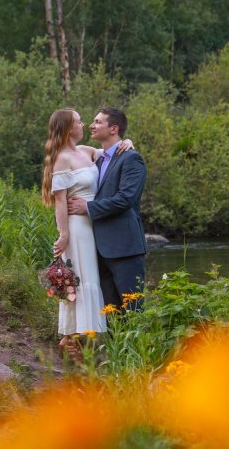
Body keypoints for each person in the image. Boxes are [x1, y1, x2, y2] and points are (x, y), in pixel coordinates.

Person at [41, 108, 133, 354]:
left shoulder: (85, 152)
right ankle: (72, 340)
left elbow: (113, 152)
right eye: (80, 121)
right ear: (69, 128)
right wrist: (64, 234)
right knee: (82, 279)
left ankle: (77, 339)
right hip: (77, 227)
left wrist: (127, 141)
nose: (85, 125)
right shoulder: (62, 158)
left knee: (91, 278)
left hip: (93, 221)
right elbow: (60, 201)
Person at [67, 107, 146, 311]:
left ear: (114, 128)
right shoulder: (97, 158)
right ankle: (115, 345)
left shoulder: (131, 158)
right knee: (111, 313)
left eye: (98, 122)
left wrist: (88, 207)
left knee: (133, 310)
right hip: (99, 249)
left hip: (125, 248)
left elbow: (125, 198)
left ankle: (140, 345)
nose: (92, 126)